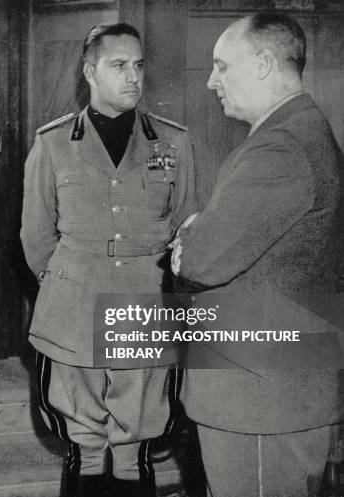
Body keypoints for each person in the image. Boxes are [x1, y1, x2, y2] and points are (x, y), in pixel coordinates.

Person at [171, 12, 343, 497]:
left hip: (261, 399)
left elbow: (202, 259)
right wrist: (203, 229)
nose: (211, 81)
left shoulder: (280, 148)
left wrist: (195, 233)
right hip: (270, 388)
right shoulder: (298, 132)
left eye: (222, 66)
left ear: (265, 63)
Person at [21, 23, 196, 497]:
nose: (133, 76)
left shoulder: (174, 144)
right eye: (119, 65)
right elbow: (36, 237)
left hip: (143, 306)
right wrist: (68, 287)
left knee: (135, 447)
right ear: (90, 71)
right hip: (74, 309)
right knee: (84, 446)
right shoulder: (54, 144)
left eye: (138, 65)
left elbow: (185, 227)